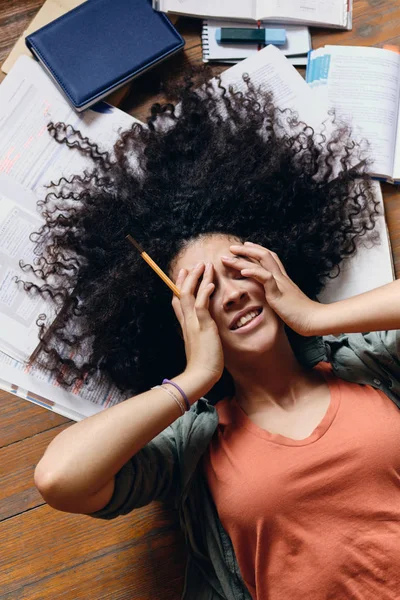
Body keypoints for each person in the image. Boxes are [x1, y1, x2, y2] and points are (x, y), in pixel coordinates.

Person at [31, 74, 400, 599]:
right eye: (203, 291)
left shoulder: (367, 364)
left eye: (240, 268)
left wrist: (316, 317)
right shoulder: (192, 445)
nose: (229, 295)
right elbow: (59, 479)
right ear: (179, 321)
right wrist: (194, 377)